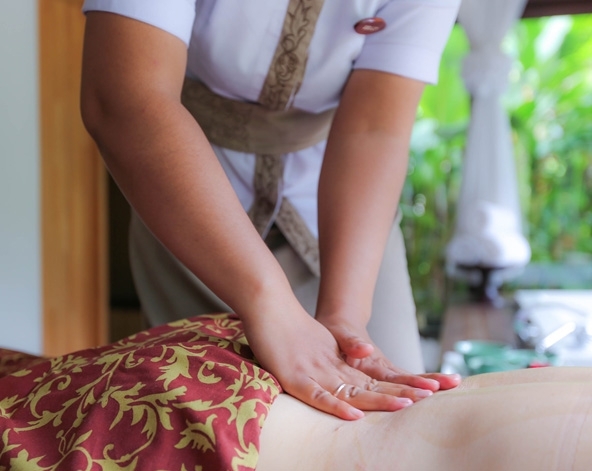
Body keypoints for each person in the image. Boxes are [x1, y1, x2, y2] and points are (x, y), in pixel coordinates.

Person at [79, 0, 462, 420]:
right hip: (190, 183)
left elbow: (375, 128)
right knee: (208, 423)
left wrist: (347, 319)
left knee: (395, 419)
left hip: (344, 194)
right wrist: (272, 308)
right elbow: (124, 98)